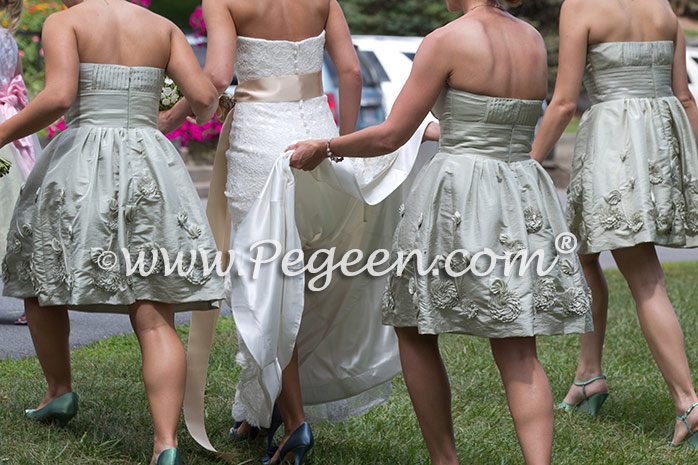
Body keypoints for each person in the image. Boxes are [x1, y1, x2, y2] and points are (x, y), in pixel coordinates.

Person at [289, 1, 593, 463]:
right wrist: (446, 128)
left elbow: (390, 134)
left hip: (460, 197)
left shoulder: (447, 39)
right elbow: (497, 118)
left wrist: (326, 146)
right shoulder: (531, 38)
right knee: (516, 348)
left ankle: (444, 460)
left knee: (413, 327)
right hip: (519, 190)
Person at [160, 0, 435, 463]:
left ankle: (295, 423)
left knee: (263, 282)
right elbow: (350, 74)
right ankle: (256, 410)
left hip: (260, 146)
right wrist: (340, 149)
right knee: (300, 276)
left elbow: (216, 76)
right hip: (315, 139)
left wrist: (173, 115)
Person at [0, 0, 223, 463]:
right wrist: (159, 109)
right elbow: (205, 101)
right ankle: (166, 445)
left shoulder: (67, 21)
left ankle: (59, 391)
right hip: (149, 164)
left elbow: (59, 97)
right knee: (153, 306)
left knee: (42, 279)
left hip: (81, 164)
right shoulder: (163, 27)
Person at [530, 0, 698, 449]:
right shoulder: (661, 7)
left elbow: (564, 101)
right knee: (583, 253)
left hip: (614, 142)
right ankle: (589, 376)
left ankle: (689, 404)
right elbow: (684, 96)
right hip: (662, 138)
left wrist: (528, 166)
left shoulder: (580, 7)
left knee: (646, 278)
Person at [0, 0, 41, 326]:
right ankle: (31, 297)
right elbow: (16, 79)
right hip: (11, 121)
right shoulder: (8, 39)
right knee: (17, 204)